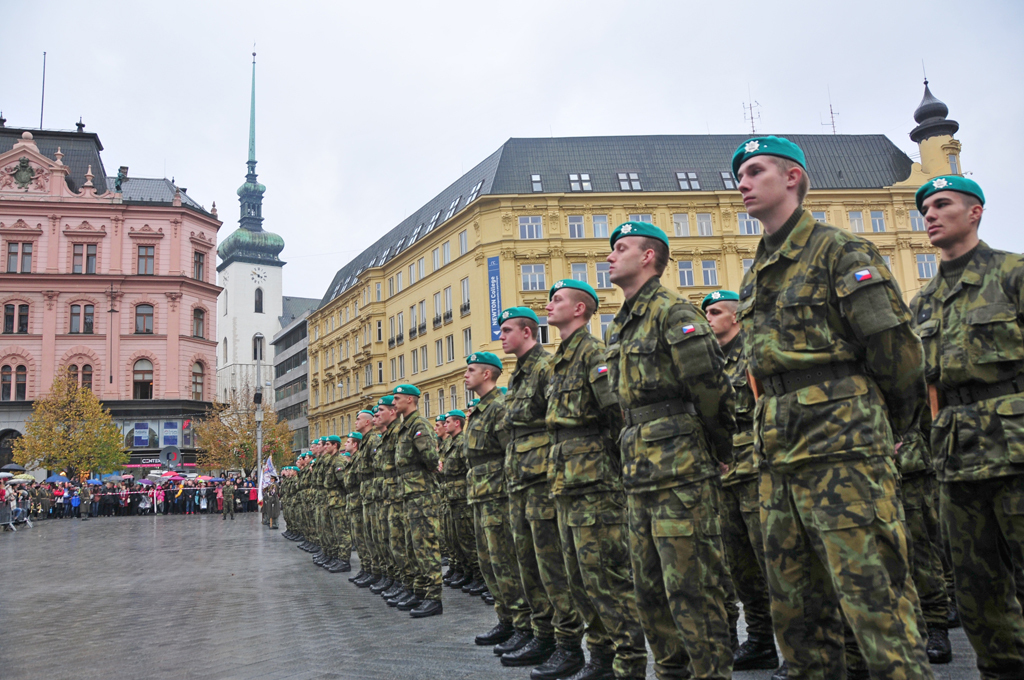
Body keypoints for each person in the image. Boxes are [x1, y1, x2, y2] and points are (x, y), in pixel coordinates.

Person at [733, 135, 932, 679]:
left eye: (754, 171)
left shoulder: (840, 251)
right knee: (797, 617)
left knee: (876, 607)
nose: (742, 184)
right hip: (778, 457)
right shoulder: (756, 272)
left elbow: (897, 354)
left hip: (844, 452)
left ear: (792, 177)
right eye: (739, 176)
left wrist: (884, 427)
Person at [604, 220, 737, 680]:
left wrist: (720, 449)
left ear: (647, 257)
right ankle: (670, 672)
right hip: (639, 470)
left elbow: (711, 389)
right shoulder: (620, 325)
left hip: (680, 470)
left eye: (620, 248)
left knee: (693, 588)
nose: (609, 256)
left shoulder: (673, 312)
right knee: (650, 590)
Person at [909, 175, 1024, 679]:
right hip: (956, 456)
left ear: (974, 212)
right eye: (925, 208)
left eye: (941, 204)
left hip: (1017, 445)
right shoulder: (925, 301)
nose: (929, 215)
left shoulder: (1012, 273)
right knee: (978, 588)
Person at [544, 278, 650, 680]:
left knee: (607, 579)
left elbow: (617, 416)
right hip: (567, 485)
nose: (549, 305)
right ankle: (601, 658)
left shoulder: (593, 355)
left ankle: (629, 664)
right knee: (580, 581)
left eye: (557, 300)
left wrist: (610, 472)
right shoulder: (560, 360)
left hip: (595, 487)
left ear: (579, 310)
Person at [498, 306, 585, 675]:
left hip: (542, 482)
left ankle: (567, 644)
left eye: (506, 330)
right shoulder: (518, 374)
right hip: (520, 481)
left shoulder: (545, 369)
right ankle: (542, 633)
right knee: (528, 565)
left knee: (552, 567)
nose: (501, 336)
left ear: (528, 333)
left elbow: (557, 423)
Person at [701, 289, 779, 671]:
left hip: (755, 469)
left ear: (735, 317)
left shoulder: (753, 354)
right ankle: (761, 641)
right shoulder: (711, 363)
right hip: (724, 472)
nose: (709, 317)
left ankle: (797, 648)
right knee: (739, 568)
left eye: (715, 311)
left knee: (772, 563)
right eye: (706, 312)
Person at [464, 351, 532, 653]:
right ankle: (505, 619)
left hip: (499, 495)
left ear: (488, 374)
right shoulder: (480, 410)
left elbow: (511, 453)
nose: (466, 375)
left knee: (505, 562)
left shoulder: (499, 408)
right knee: (489, 563)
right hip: (481, 494)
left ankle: (523, 624)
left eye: (471, 370)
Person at [391, 384, 444, 618]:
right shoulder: (406, 426)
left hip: (422, 495)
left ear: (411, 400)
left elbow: (431, 458)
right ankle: (420, 591)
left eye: (398, 398)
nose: (394, 402)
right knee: (413, 546)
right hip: (409, 494)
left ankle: (434, 597)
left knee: (426, 546)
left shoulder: (419, 425)